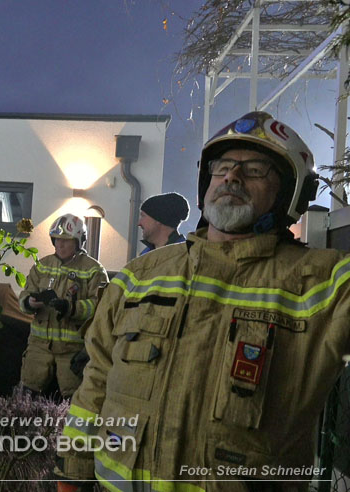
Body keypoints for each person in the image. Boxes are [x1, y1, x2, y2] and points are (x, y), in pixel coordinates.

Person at [56, 111, 350, 492]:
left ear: (290, 193)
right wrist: (71, 477)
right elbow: (95, 383)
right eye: (223, 166)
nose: (231, 177)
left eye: (255, 169)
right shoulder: (139, 276)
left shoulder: (324, 284)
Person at [17, 213, 108, 399]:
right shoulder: (42, 266)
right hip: (38, 347)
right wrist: (29, 302)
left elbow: (101, 307)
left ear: (78, 241)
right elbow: (25, 294)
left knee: (73, 401)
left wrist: (70, 308)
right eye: (57, 240)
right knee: (27, 398)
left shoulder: (94, 270)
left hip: (72, 350)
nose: (60, 244)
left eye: (66, 240)